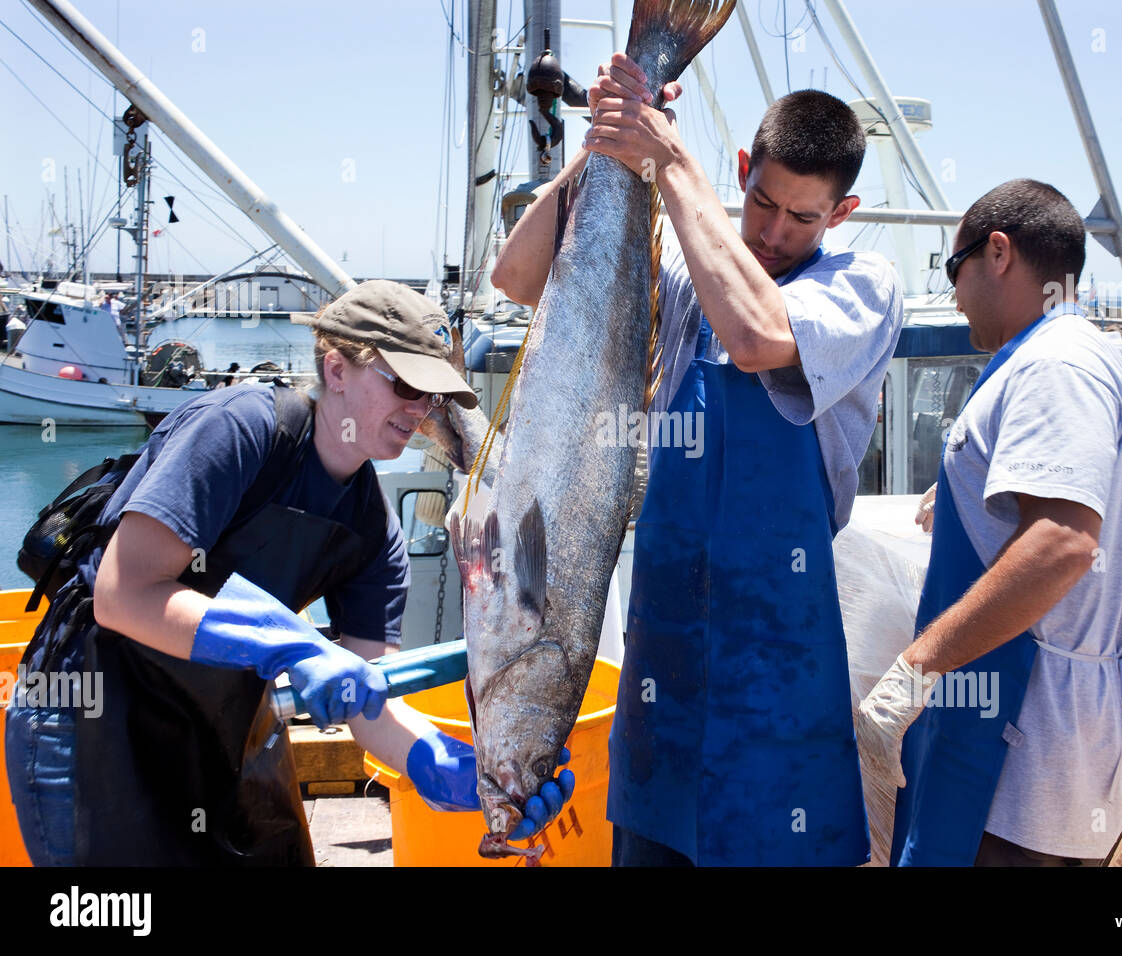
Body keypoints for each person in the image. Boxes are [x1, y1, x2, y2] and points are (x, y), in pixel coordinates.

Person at [492, 55, 903, 866]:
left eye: (803, 218)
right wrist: (610, 136)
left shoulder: (861, 285)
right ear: (743, 173)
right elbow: (516, 275)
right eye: (761, 201)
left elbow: (755, 338)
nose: (775, 233)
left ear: (842, 213)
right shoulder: (684, 270)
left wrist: (673, 162)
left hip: (778, 684)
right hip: (663, 674)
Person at [5, 279, 572, 866]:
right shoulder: (237, 430)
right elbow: (123, 594)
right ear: (336, 371)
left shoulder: (375, 535)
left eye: (433, 397)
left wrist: (452, 767)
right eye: (407, 384)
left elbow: (367, 695)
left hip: (220, 735)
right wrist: (285, 644)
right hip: (95, 721)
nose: (420, 409)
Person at [855, 179, 1122, 866]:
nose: (954, 291)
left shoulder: (1055, 364)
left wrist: (915, 669)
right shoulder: (1104, 358)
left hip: (1019, 748)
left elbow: (1062, 545)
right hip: (1058, 735)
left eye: (952, 266)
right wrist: (972, 488)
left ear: (998, 253)